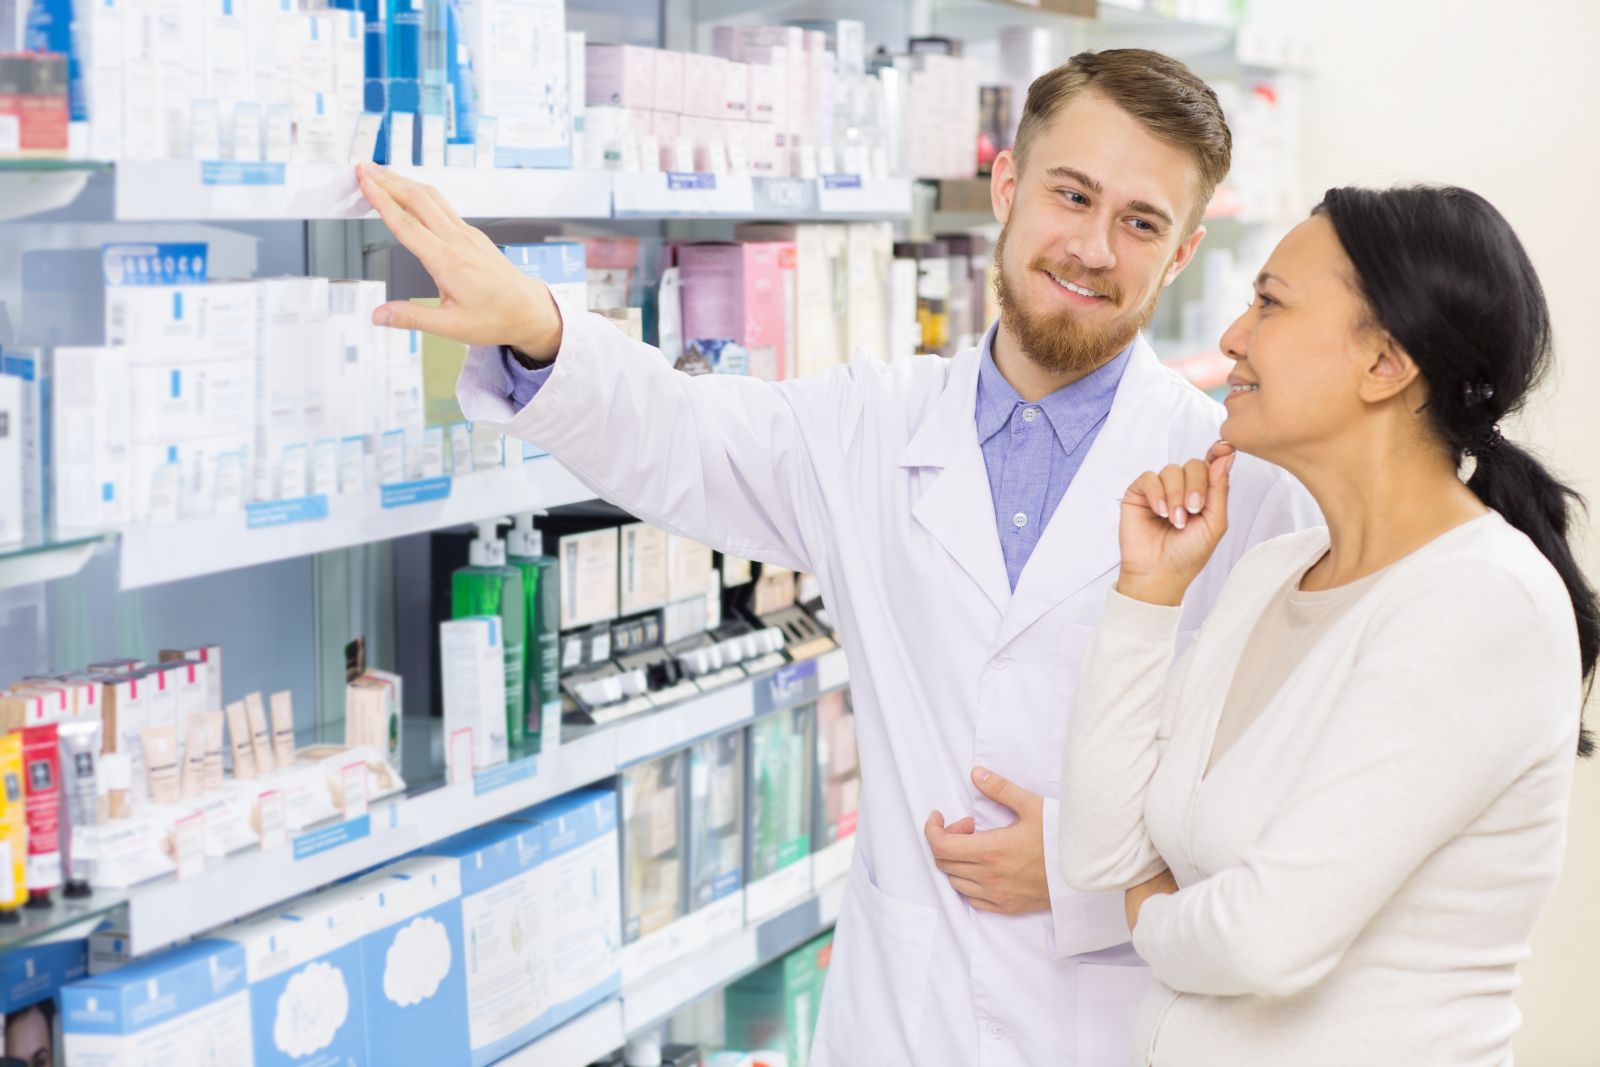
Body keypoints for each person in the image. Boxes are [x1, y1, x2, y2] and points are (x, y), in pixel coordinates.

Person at [357, 49, 1319, 1066]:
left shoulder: (1241, 488)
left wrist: (1094, 873)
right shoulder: (868, 424)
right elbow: (681, 432)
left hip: (1123, 1027)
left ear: (1180, 255)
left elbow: (1288, 821)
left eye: (1139, 221)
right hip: (904, 1015)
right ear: (1005, 186)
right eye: (1070, 194)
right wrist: (541, 328)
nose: (1089, 246)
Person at [1061, 185, 1594, 1066]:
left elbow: (1267, 938)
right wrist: (1146, 595)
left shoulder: (1481, 602)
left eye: (1269, 302)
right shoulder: (1277, 571)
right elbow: (1099, 849)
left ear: (1386, 363)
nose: (1233, 335)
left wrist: (1150, 917)